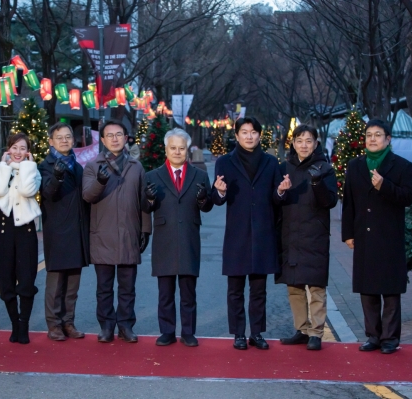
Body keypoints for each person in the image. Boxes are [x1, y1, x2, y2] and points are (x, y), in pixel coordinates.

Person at [212, 116, 288, 350]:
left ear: (259, 135)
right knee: (235, 289)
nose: (249, 136)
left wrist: (282, 191)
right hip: (237, 234)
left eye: (253, 132)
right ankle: (238, 333)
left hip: (263, 232)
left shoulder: (270, 162)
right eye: (244, 132)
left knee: (259, 289)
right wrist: (220, 192)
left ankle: (256, 333)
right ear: (236, 135)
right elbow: (216, 200)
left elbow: (276, 200)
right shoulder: (224, 162)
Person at [342, 119, 412, 355]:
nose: (372, 139)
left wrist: (385, 186)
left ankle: (390, 338)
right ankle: (372, 336)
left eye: (377, 135)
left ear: (388, 139)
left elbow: (408, 197)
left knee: (390, 290)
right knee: (368, 289)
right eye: (369, 135)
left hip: (389, 236)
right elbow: (349, 203)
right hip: (364, 234)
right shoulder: (355, 166)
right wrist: (348, 233)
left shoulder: (402, 166)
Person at [82, 119, 152, 343]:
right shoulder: (93, 167)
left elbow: (143, 201)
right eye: (110, 135)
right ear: (102, 140)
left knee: (127, 287)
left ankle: (126, 326)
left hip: (129, 233)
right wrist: (100, 181)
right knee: (104, 287)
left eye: (119, 135)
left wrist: (146, 229)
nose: (114, 139)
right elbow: (88, 196)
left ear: (126, 138)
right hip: (102, 234)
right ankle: (106, 326)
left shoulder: (136, 166)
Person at [143, 128, 213, 347]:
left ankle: (188, 332)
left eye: (181, 148)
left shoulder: (200, 175)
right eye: (173, 148)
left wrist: (203, 199)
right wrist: (150, 200)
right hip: (164, 239)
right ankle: (167, 331)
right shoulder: (152, 176)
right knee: (165, 292)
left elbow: (208, 206)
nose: (177, 151)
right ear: (166, 149)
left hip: (189, 238)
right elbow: (145, 207)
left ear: (187, 150)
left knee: (188, 291)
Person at [276, 125, 337, 351]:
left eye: (308, 141)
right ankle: (301, 329)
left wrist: (317, 183)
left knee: (316, 286)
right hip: (290, 233)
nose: (303, 145)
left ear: (315, 143)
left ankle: (316, 332)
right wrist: (281, 191)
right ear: (292, 144)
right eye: (299, 140)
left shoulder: (325, 168)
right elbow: (275, 200)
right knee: (294, 285)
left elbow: (330, 201)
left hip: (315, 234)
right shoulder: (284, 167)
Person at [0, 133, 41, 344]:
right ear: (8, 149)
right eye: (14, 148)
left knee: (26, 280)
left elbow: (28, 190)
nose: (18, 152)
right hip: (3, 231)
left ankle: (24, 325)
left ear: (28, 151)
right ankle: (15, 324)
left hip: (26, 232)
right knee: (6, 280)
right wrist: (3, 166)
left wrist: (28, 167)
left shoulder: (32, 171)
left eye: (23, 148)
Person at [39, 123, 90, 341]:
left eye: (68, 137)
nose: (64, 141)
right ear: (51, 141)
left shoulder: (78, 166)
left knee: (72, 284)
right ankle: (54, 325)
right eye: (59, 137)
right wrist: (57, 176)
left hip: (77, 230)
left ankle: (68, 322)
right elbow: (48, 193)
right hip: (57, 231)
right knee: (55, 284)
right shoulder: (45, 166)